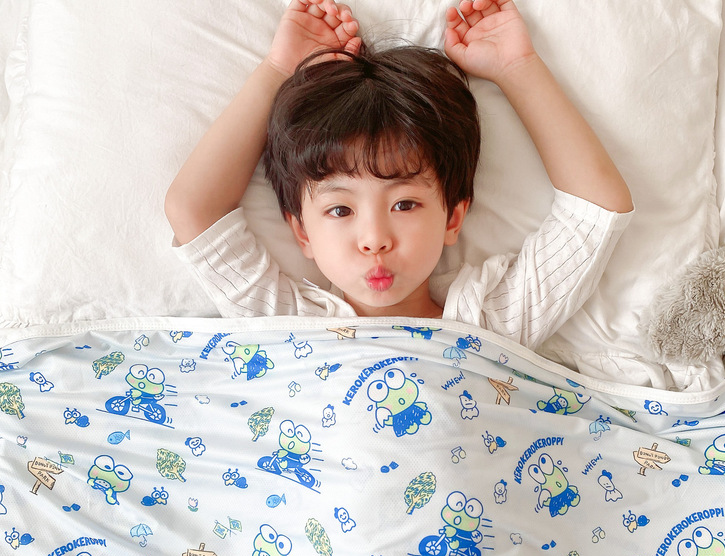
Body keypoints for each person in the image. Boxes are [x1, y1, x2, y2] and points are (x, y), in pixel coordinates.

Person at [165, 0, 633, 348]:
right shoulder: (289, 325)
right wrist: (279, 71)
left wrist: (518, 68)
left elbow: (595, 211)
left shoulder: (487, 324)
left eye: (404, 204)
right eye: (340, 209)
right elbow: (194, 210)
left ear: (453, 217)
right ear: (302, 232)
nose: (375, 240)